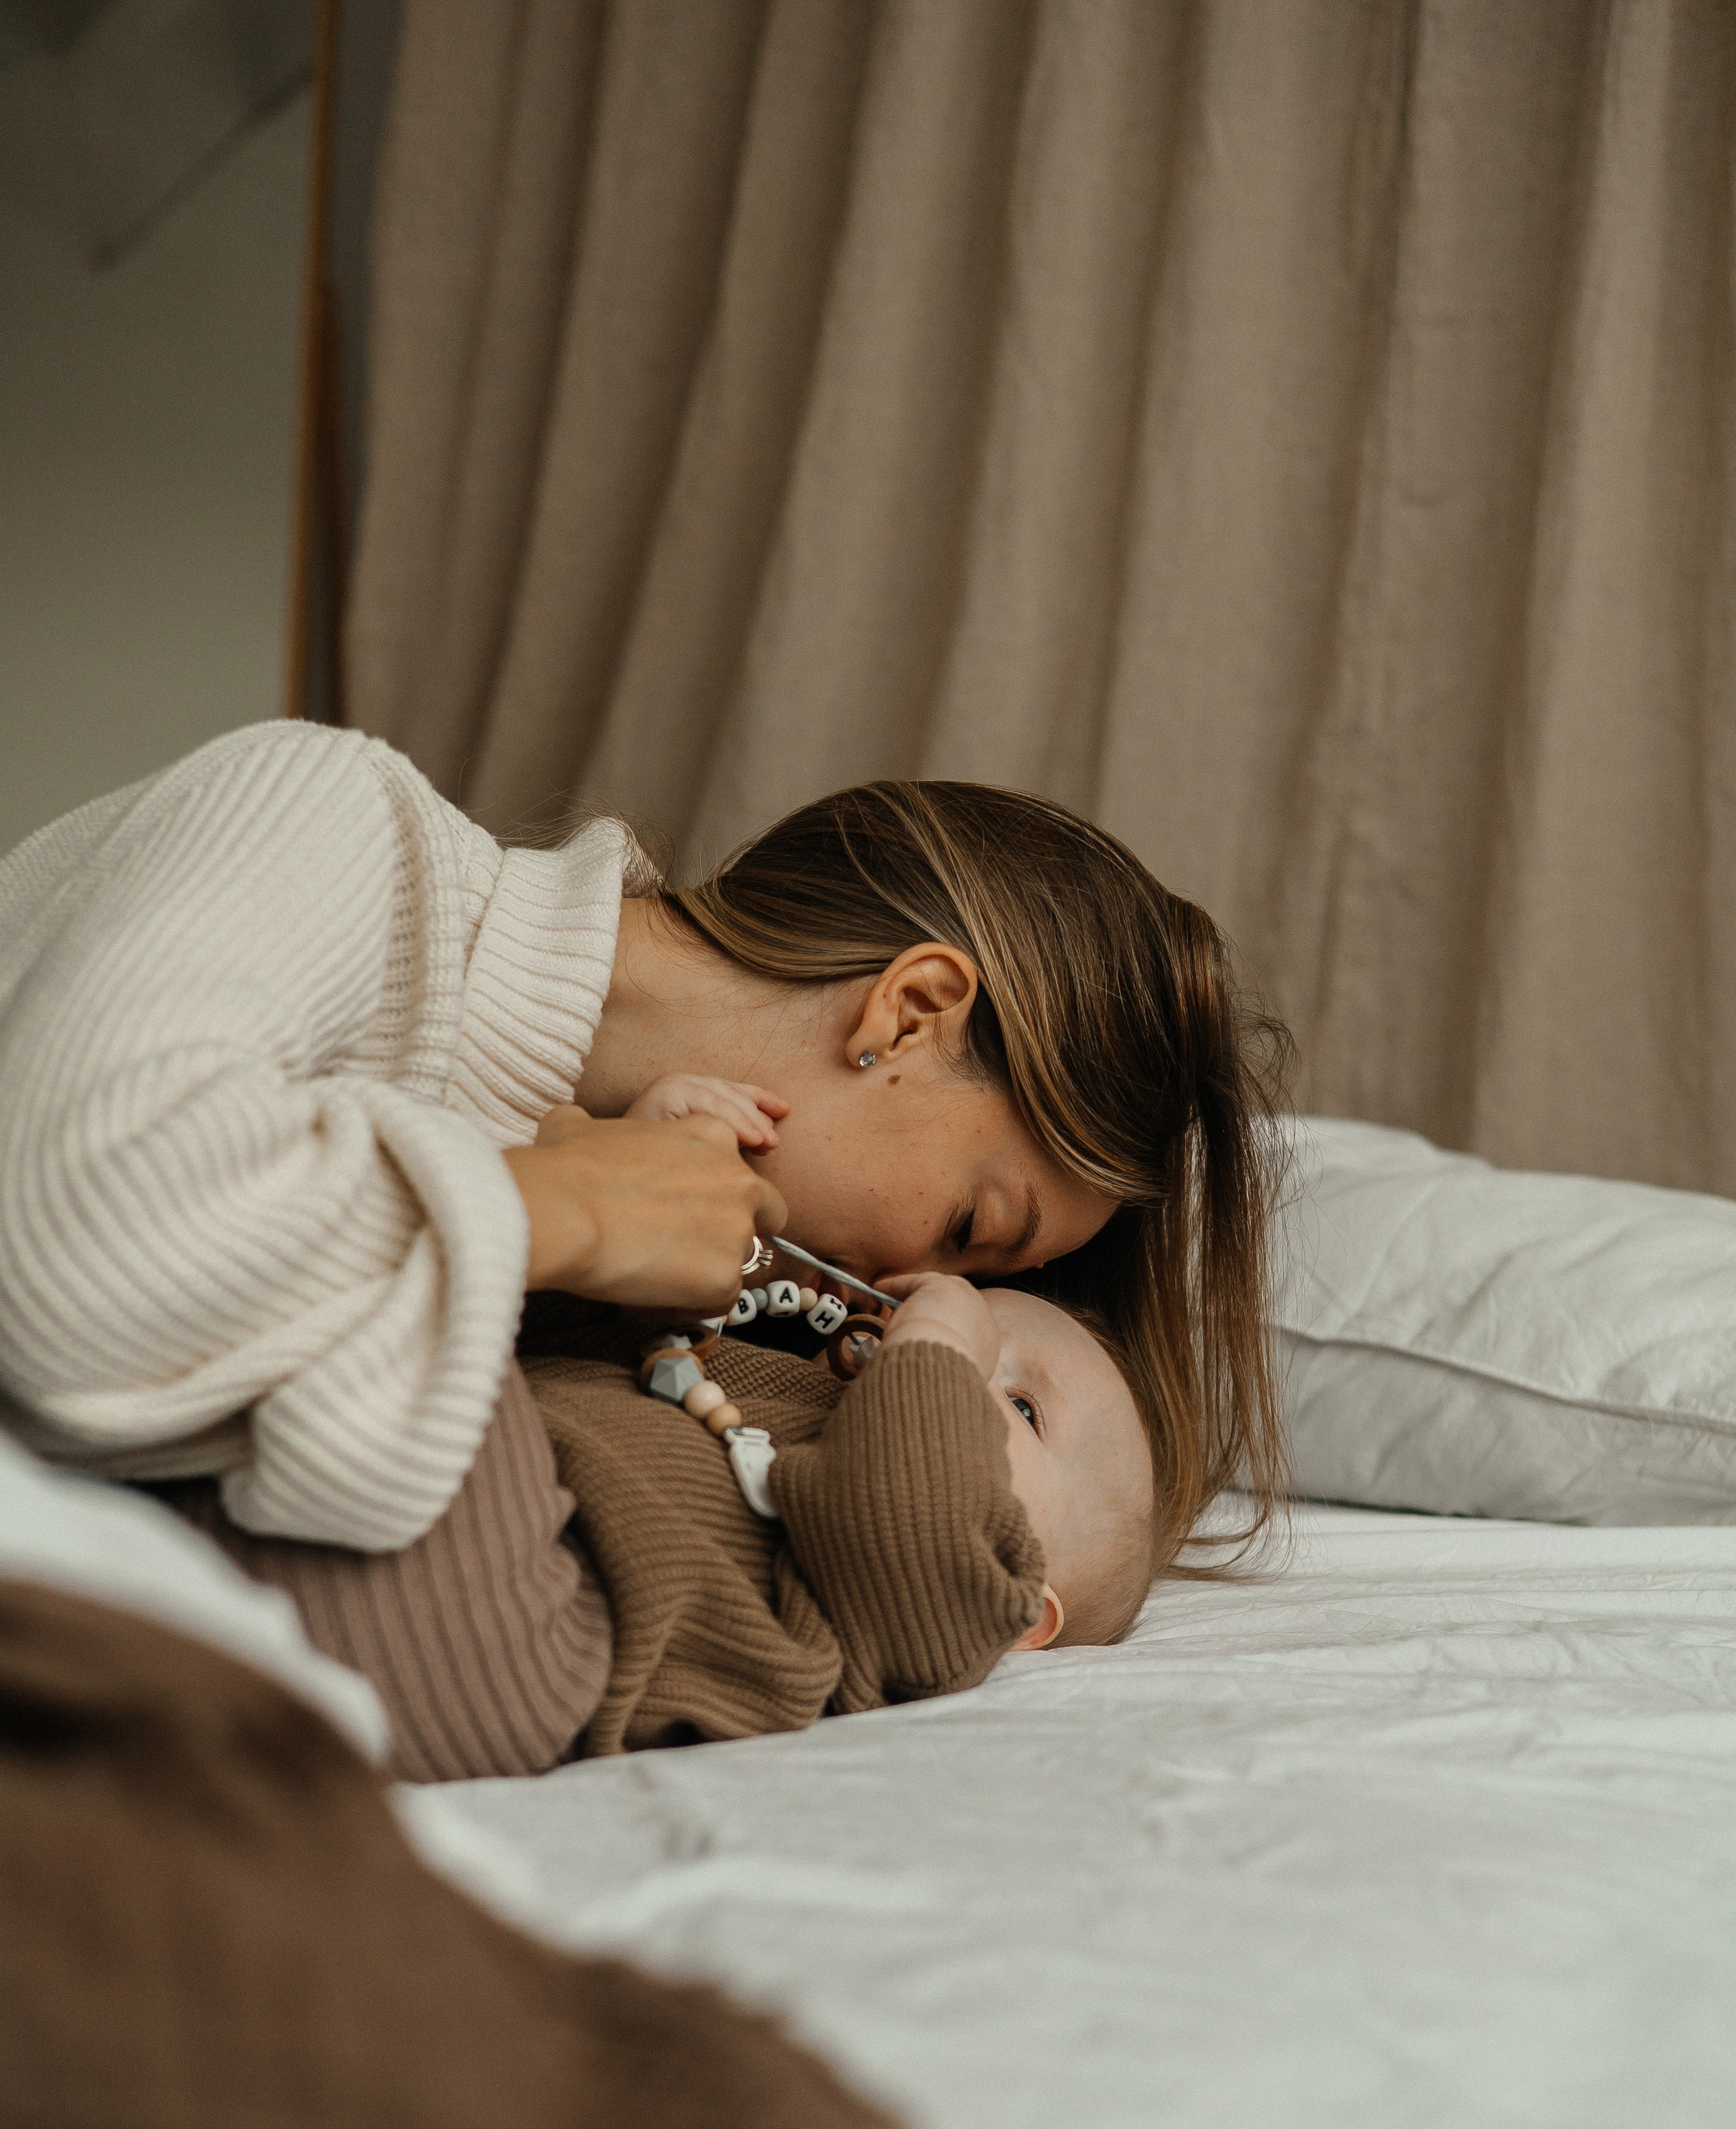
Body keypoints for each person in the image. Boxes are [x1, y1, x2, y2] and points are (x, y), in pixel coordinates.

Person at [0, 719, 1288, 1572]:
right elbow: (54, 1271)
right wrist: (560, 1207)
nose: (917, 1294)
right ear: (910, 1013)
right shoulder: (331, 822)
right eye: (968, 1233)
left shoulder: (663, 1339)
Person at [521, 1252, 1156, 1756]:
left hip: (550, 1629)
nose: (953, 1362)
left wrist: (940, 1339)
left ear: (1022, 1617)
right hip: (498, 1446)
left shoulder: (957, 1607)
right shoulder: (792, 1408)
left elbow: (907, 1517)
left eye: (1023, 1407)